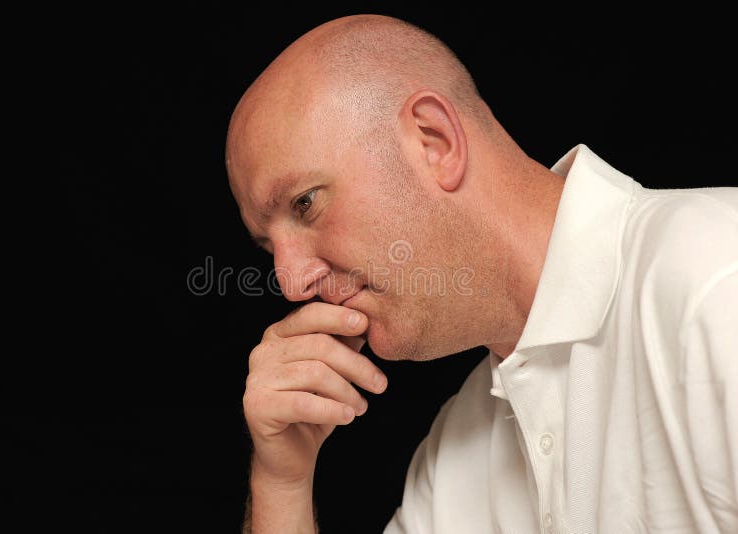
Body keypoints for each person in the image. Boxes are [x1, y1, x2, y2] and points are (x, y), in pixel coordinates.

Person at [226, 14, 738, 534]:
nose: (290, 282)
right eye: (268, 245)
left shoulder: (717, 280)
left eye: (305, 204)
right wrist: (281, 484)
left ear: (434, 140)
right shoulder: (460, 453)